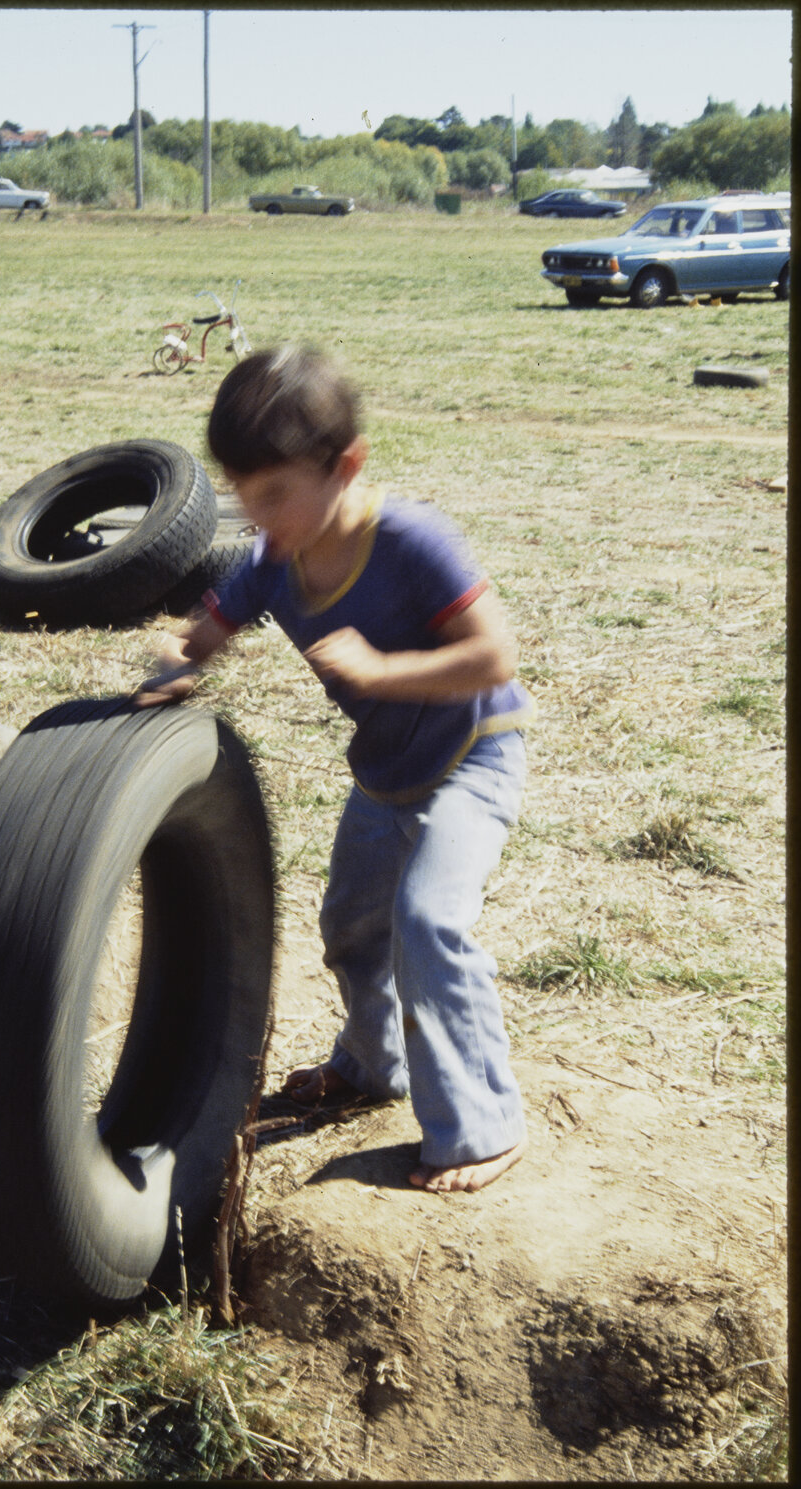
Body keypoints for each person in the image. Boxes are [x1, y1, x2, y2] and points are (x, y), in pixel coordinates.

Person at [139, 346, 534, 1194]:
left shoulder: (411, 542)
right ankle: (371, 1062)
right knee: (352, 927)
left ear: (345, 464)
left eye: (274, 493)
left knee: (426, 921)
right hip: (386, 771)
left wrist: (382, 671)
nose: (256, 514)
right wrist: (178, 658)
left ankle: (483, 1123)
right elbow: (207, 629)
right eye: (242, 493)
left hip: (472, 755)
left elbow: (495, 656)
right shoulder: (275, 557)